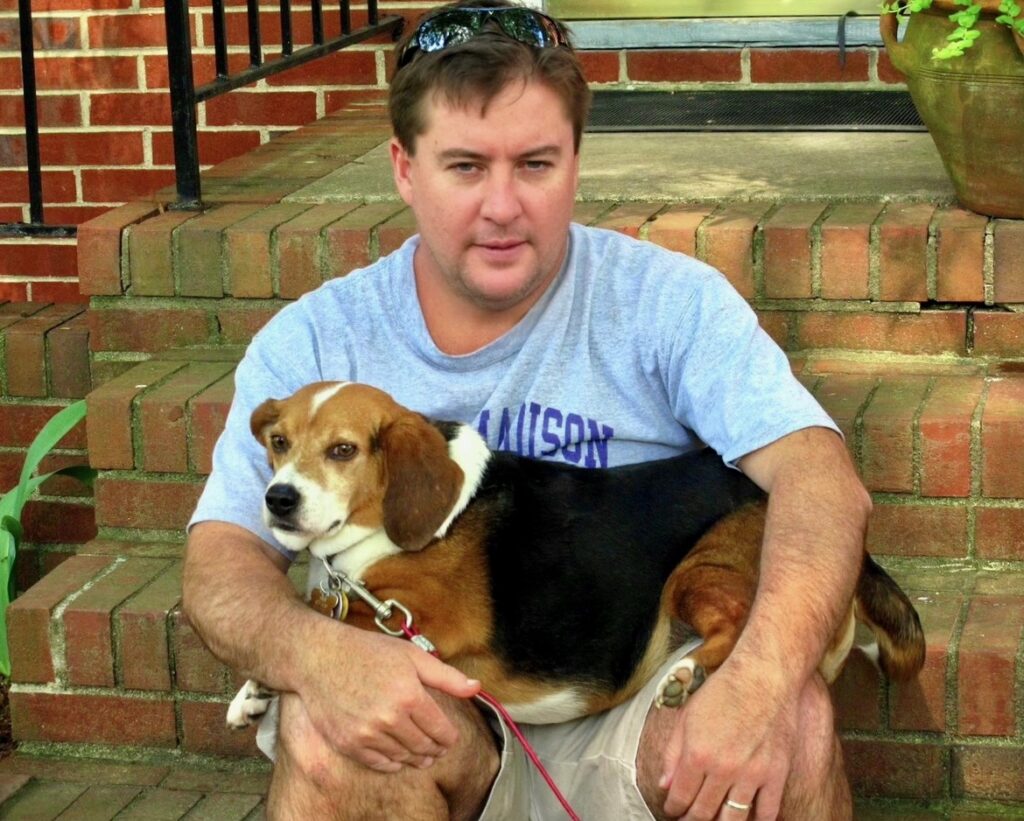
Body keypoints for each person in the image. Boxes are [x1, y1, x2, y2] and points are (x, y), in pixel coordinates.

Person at [183, 2, 871, 818]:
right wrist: (317, 657)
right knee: (327, 729)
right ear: (405, 168)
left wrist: (756, 681)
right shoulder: (317, 342)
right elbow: (220, 565)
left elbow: (820, 484)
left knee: (790, 721)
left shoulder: (667, 302)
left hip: (638, 698)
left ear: (576, 161)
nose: (504, 205)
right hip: (437, 717)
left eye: (536, 164)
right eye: (466, 166)